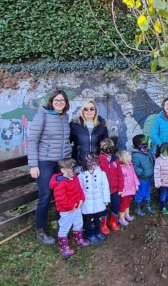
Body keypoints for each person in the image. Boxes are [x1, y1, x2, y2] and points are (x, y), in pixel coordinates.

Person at [28, 90, 72, 245]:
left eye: (62, 100)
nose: (59, 102)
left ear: (66, 103)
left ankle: (62, 225)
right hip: (45, 162)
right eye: (56, 100)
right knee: (45, 195)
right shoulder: (42, 116)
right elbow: (32, 140)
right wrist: (33, 165)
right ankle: (41, 230)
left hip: (61, 163)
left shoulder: (65, 117)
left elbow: (65, 141)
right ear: (51, 101)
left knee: (62, 193)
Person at [49, 158, 88, 259]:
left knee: (79, 223)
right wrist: (70, 207)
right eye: (72, 169)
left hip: (77, 207)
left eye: (74, 168)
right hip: (67, 210)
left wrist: (81, 199)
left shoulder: (74, 178)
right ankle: (63, 247)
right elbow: (61, 199)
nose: (74, 171)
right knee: (64, 227)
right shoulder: (60, 183)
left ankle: (78, 239)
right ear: (63, 171)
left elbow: (79, 189)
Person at [76, 153, 110, 245]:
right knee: (89, 221)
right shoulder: (81, 176)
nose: (92, 168)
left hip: (99, 201)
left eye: (94, 165)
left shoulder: (102, 174)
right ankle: (89, 235)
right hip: (87, 203)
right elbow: (79, 189)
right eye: (90, 166)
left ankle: (97, 232)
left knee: (98, 219)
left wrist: (106, 199)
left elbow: (105, 187)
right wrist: (80, 201)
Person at [98, 138, 123, 233]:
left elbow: (119, 175)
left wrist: (120, 188)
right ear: (102, 149)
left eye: (111, 148)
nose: (109, 151)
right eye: (106, 148)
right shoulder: (99, 160)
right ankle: (103, 224)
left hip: (114, 189)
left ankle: (112, 221)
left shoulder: (115, 160)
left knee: (116, 204)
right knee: (103, 207)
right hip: (103, 190)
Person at [131, 135, 156, 216]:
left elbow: (151, 162)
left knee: (147, 192)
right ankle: (137, 208)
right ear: (139, 145)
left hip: (148, 178)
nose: (146, 143)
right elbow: (135, 167)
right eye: (143, 142)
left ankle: (147, 206)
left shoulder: (148, 152)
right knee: (140, 193)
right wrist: (142, 173)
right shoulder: (135, 155)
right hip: (141, 179)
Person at [116, 150, 140, 226]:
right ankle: (121, 218)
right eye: (128, 156)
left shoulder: (130, 165)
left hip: (130, 188)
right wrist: (121, 190)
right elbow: (119, 181)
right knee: (123, 204)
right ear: (123, 159)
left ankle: (127, 215)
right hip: (124, 191)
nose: (130, 157)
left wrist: (136, 184)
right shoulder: (120, 168)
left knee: (128, 203)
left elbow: (134, 175)